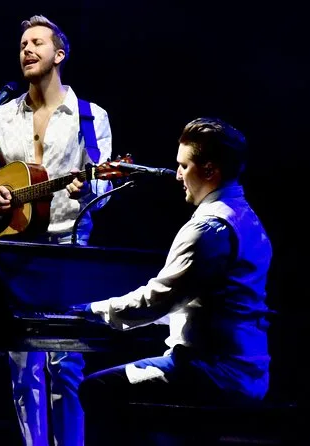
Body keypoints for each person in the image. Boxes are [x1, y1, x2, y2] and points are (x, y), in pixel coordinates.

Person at [0, 15, 113, 446]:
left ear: (60, 54)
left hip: (67, 249)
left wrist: (87, 188)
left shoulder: (90, 117)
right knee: (23, 369)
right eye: (22, 45)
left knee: (65, 367)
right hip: (16, 252)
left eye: (37, 42)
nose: (27, 50)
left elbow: (104, 189)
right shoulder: (1, 117)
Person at [71, 117, 273, 445]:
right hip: (244, 370)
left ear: (210, 170)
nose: (177, 175)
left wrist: (89, 310)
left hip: (212, 372)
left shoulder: (209, 228)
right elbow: (202, 303)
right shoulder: (245, 217)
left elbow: (157, 300)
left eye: (184, 166)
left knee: (97, 387)